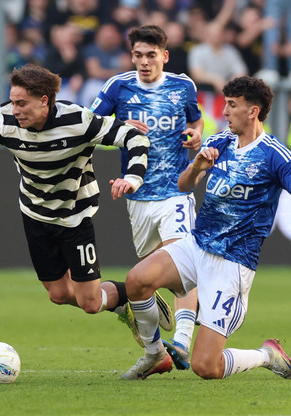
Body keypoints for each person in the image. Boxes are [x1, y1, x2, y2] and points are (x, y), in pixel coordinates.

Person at [118, 76, 291, 380]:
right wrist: (196, 168)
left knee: (207, 367)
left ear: (253, 111)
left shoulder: (275, 155)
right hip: (198, 244)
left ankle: (267, 355)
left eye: (232, 105)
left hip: (232, 263)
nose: (225, 111)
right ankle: (156, 356)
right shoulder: (219, 141)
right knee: (137, 280)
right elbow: (183, 185)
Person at [0, 64, 170, 332]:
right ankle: (124, 300)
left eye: (21, 103)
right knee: (58, 295)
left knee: (89, 303)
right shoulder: (3, 119)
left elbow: (135, 138)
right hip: (35, 213)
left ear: (44, 101)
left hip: (75, 216)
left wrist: (133, 178)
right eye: (12, 102)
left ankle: (135, 293)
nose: (15, 110)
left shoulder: (78, 121)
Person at [90, 25, 203, 370]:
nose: (143, 62)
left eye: (150, 55)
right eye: (137, 55)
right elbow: (90, 128)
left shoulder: (183, 86)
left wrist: (196, 139)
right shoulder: (117, 87)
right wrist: (120, 133)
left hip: (176, 191)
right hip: (138, 196)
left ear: (164, 56)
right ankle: (156, 349)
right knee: (150, 274)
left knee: (183, 262)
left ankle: (182, 342)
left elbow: (196, 124)